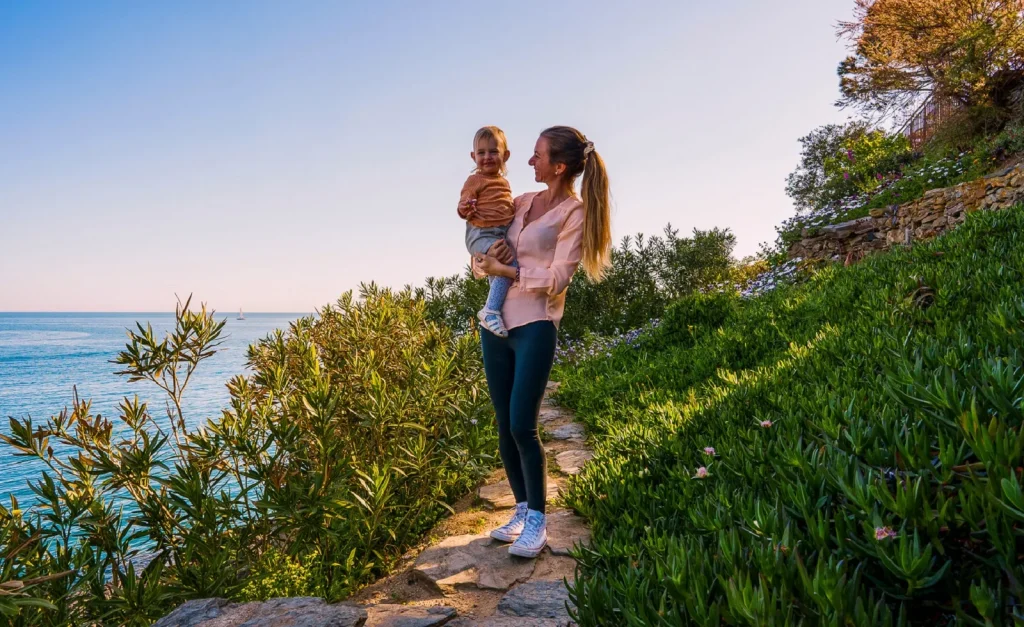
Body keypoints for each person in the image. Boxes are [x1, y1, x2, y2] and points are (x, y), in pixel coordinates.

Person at [472, 126, 611, 558]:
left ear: (559, 165)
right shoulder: (522, 203)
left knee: (522, 425)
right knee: (502, 425)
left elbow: (557, 279)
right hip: (496, 326)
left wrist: (506, 273)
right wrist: (483, 262)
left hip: (535, 325)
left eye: (537, 155)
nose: (530, 162)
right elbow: (488, 253)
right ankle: (519, 508)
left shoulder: (574, 212)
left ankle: (538, 521)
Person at [458, 126, 517, 338]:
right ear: (473, 157)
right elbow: (463, 203)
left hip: (497, 234)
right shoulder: (475, 180)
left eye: (493, 152)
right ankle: (490, 310)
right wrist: (465, 206)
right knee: (507, 264)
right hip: (480, 233)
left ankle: (496, 312)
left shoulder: (504, 182)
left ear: (505, 155)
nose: (487, 157)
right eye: (481, 153)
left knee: (497, 268)